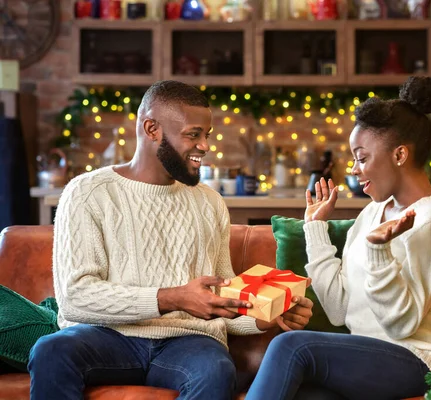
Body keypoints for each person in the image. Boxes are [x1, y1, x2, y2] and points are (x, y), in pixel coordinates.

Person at [28, 80, 313, 400]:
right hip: (108, 336)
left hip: (189, 342)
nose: (205, 145)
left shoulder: (210, 201)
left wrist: (265, 318)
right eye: (194, 134)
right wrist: (172, 298)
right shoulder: (87, 193)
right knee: (51, 351)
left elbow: (221, 296)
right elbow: (75, 297)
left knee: (216, 370)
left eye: (207, 135)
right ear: (152, 129)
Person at [245, 76, 431, 400]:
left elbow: (402, 324)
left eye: (362, 158)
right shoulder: (372, 214)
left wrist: (379, 253)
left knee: (291, 346)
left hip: (417, 360)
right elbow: (338, 310)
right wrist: (316, 229)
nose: (355, 169)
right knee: (305, 395)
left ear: (400, 155)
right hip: (366, 359)